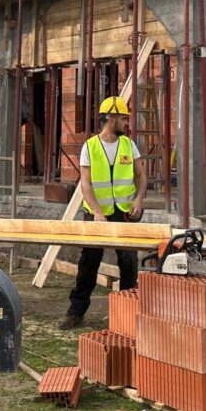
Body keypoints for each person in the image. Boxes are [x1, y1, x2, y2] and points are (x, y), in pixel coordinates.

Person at [57, 95, 146, 329]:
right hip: (96, 214)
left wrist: (138, 200)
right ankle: (76, 312)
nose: (126, 122)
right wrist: (97, 212)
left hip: (124, 212)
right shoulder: (90, 146)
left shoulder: (129, 145)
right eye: (123, 118)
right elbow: (85, 184)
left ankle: (127, 313)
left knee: (128, 263)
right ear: (111, 119)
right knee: (89, 262)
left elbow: (140, 176)